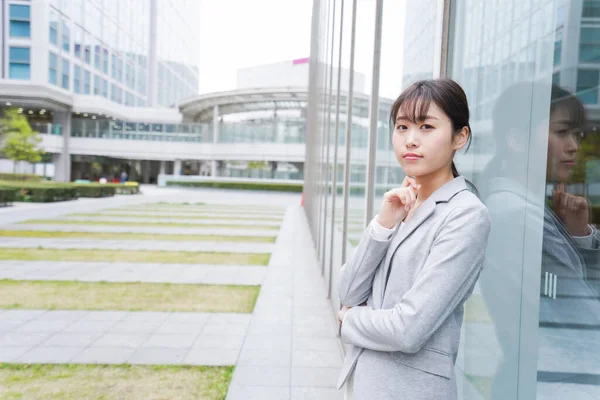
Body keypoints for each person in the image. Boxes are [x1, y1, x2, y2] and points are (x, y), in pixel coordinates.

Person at [336, 79, 491, 400]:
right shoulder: (404, 202)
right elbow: (349, 290)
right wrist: (383, 225)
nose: (411, 140)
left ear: (460, 137)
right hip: (366, 385)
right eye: (402, 126)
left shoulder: (465, 215)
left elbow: (409, 329)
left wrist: (349, 318)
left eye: (426, 127)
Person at [479, 82, 600, 397]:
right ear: (517, 140)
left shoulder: (526, 208)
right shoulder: (517, 216)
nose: (573, 146)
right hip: (553, 382)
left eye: (576, 135)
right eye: (562, 133)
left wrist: (579, 236)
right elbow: (586, 318)